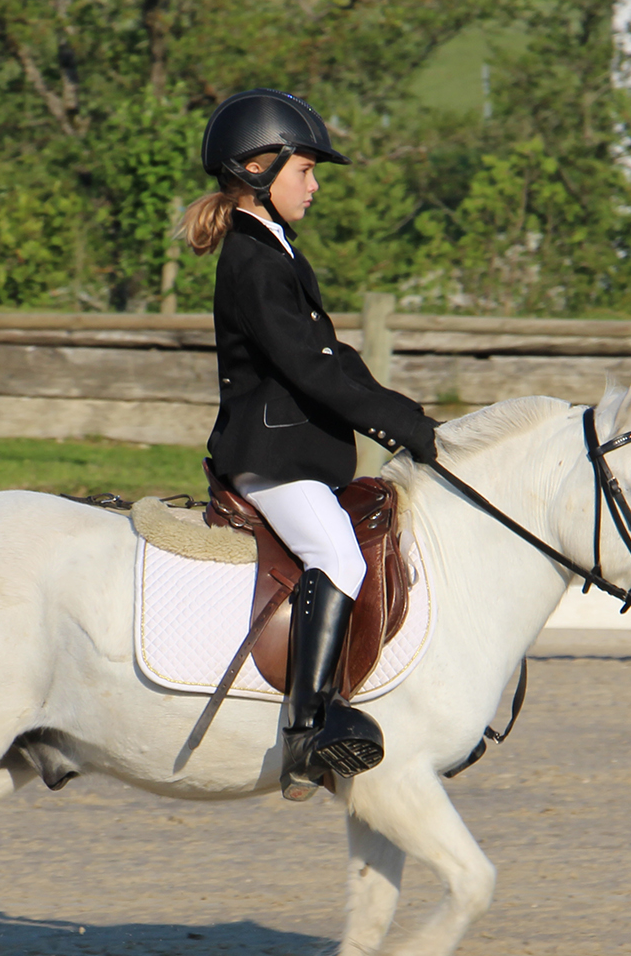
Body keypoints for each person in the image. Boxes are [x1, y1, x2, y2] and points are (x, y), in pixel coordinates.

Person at [173, 88, 441, 802]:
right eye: (305, 171)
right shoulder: (254, 261)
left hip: (292, 457)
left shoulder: (276, 248)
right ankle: (307, 727)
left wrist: (403, 415)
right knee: (338, 555)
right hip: (271, 459)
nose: (316, 185)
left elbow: (333, 356)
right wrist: (395, 426)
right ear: (259, 170)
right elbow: (308, 368)